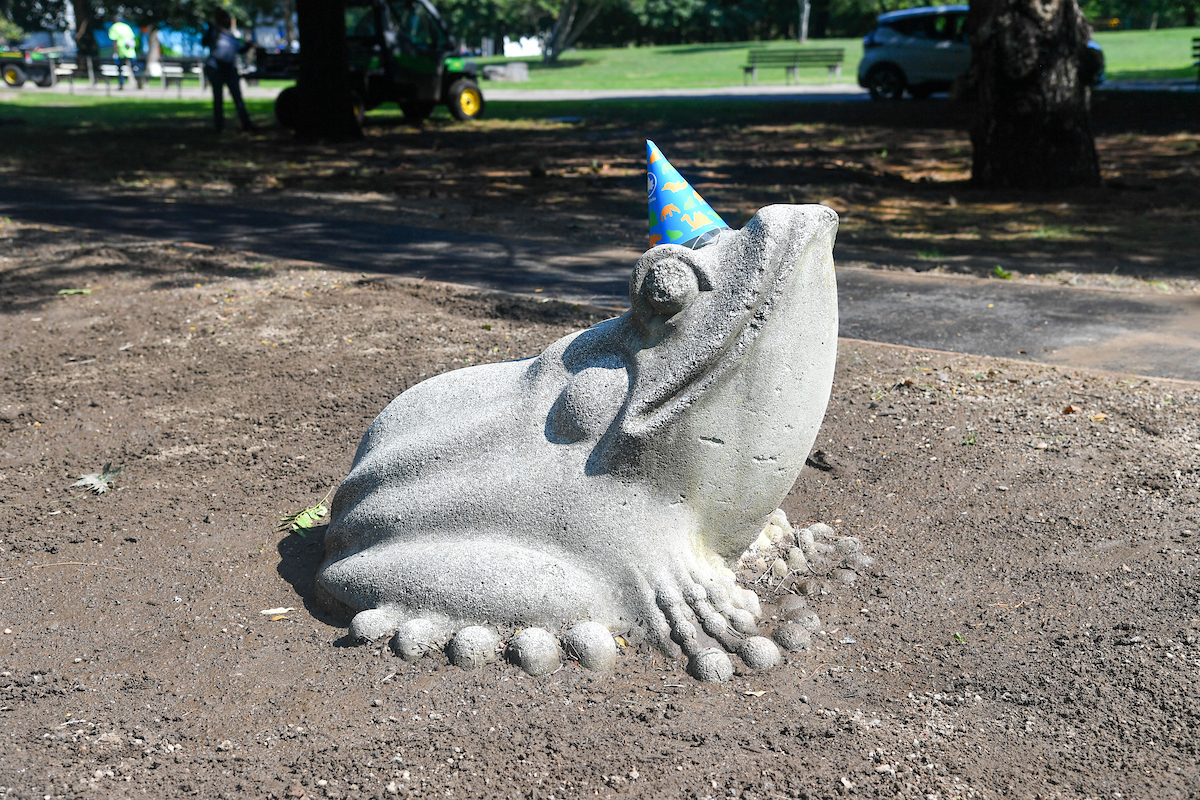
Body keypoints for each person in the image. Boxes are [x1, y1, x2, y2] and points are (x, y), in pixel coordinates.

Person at [201, 10, 255, 133]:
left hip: (230, 68)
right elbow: (204, 43)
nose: (229, 22)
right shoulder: (214, 32)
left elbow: (238, 51)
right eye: (226, 19)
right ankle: (219, 127)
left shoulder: (231, 35)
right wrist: (210, 30)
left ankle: (246, 124)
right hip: (216, 68)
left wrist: (247, 46)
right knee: (218, 99)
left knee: (238, 98)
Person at [107, 20, 138, 90]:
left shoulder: (114, 27)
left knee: (120, 69)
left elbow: (115, 41)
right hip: (130, 52)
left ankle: (121, 84)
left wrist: (115, 52)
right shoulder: (126, 26)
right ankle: (138, 82)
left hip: (121, 51)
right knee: (134, 68)